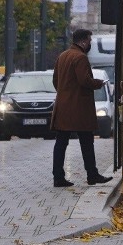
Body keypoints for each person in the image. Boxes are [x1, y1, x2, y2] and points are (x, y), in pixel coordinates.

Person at [51, 29, 113, 188]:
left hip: (63, 107)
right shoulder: (80, 57)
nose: (91, 43)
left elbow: (55, 81)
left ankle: (58, 177)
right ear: (84, 41)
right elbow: (84, 81)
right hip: (79, 108)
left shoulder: (62, 56)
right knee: (86, 141)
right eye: (90, 41)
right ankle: (92, 174)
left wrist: (65, 93)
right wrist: (99, 83)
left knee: (61, 142)